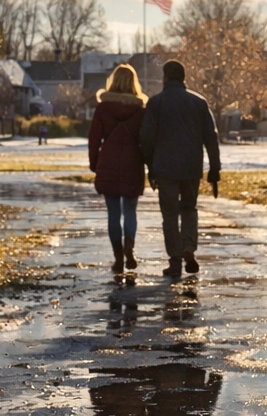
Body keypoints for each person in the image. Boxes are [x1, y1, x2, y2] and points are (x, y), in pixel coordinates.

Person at [138, 59, 221, 277]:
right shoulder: (199, 102)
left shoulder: (156, 104)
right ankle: (188, 247)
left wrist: (150, 166)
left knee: (170, 214)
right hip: (192, 166)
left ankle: (175, 260)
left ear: (165, 77)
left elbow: (146, 138)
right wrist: (214, 168)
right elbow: (211, 138)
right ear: (183, 78)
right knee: (189, 209)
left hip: (165, 168)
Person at [89, 64, 147, 273]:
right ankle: (129, 247)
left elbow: (94, 139)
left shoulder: (103, 108)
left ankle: (118, 257)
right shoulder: (140, 110)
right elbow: (146, 140)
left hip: (109, 161)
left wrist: (94, 162)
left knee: (113, 213)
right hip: (132, 162)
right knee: (130, 210)